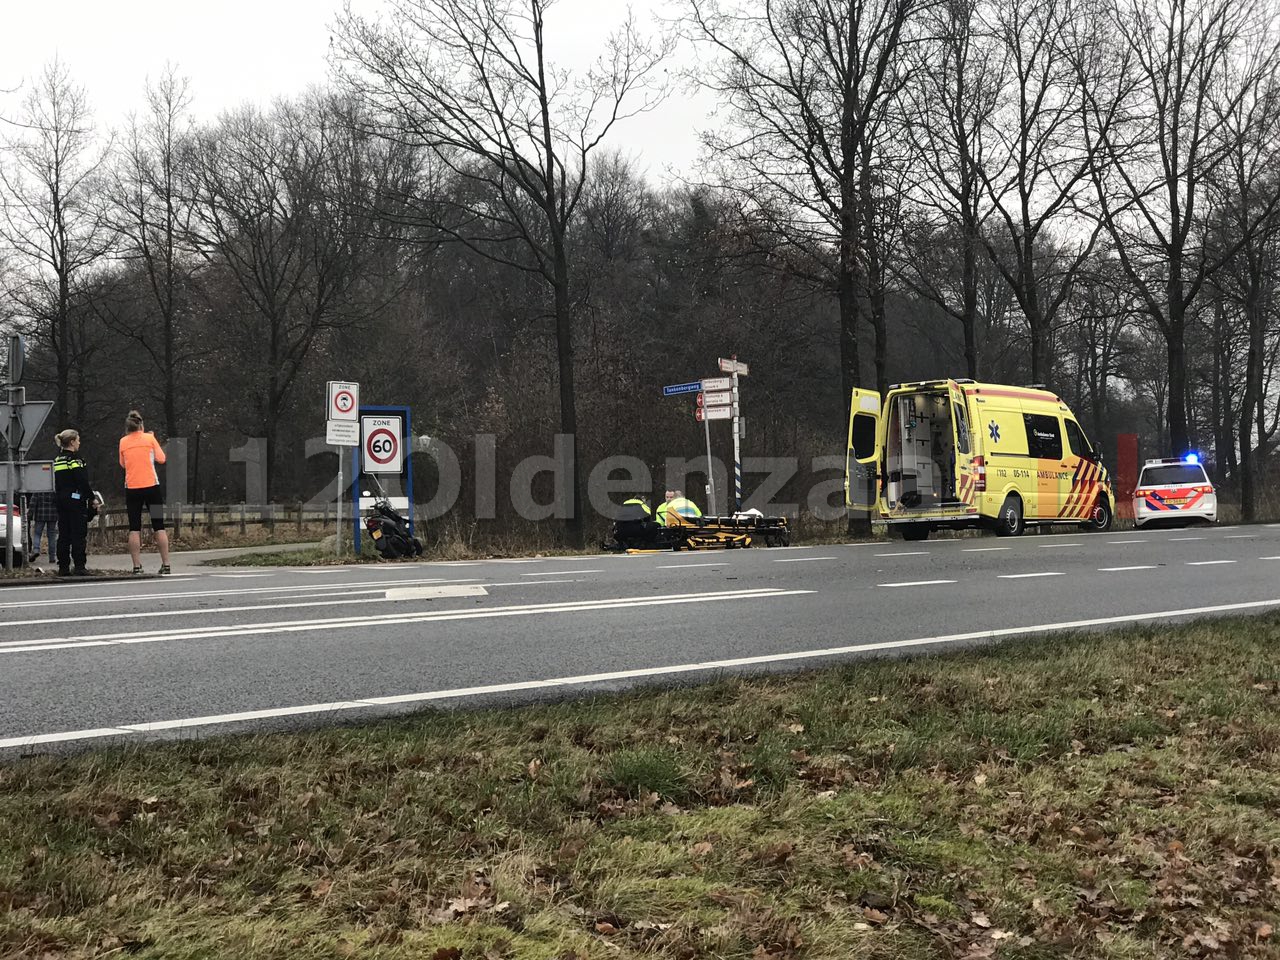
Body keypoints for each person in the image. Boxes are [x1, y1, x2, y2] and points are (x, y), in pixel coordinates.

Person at [119, 410, 171, 576]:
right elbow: (162, 458)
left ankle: (136, 566)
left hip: (132, 488)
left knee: (134, 528)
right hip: (152, 488)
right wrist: (153, 439)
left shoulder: (123, 442)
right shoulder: (149, 439)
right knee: (159, 525)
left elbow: (123, 464)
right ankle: (166, 564)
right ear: (141, 425)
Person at [52, 429, 94, 576]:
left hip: (61, 500)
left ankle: (63, 567)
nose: (79, 443)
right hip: (75, 500)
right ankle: (79, 566)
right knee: (78, 534)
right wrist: (91, 497)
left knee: (64, 535)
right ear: (71, 442)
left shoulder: (58, 460)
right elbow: (81, 480)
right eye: (78, 440)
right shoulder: (75, 460)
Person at [26, 490, 58, 565]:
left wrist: (30, 514)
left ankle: (36, 550)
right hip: (53, 515)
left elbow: (33, 502)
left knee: (37, 533)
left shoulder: (39, 489)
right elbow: (58, 501)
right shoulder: (53, 489)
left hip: (40, 514)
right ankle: (52, 557)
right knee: (52, 536)